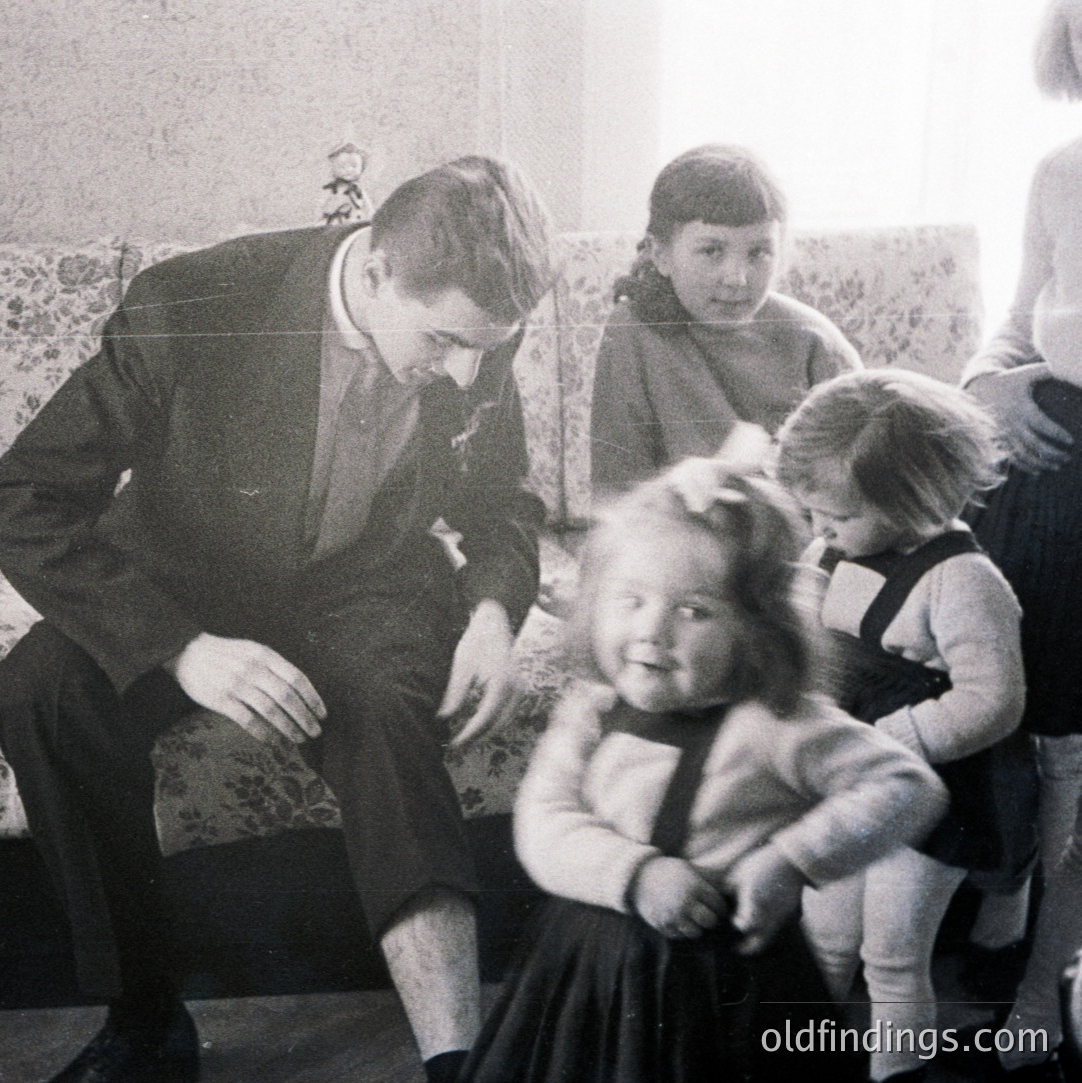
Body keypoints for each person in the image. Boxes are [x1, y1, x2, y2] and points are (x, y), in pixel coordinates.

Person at [0, 156, 556, 1083]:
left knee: (384, 706)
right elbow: (18, 500)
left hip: (366, 581)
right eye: (444, 341)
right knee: (37, 693)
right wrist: (180, 649)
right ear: (372, 273)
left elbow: (501, 501)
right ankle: (145, 1023)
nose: (465, 371)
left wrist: (491, 614)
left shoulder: (477, 334)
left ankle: (459, 1061)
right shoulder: (194, 304)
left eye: (487, 346)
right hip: (187, 579)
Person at [458, 460, 947, 1083]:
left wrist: (792, 860)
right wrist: (633, 873)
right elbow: (542, 822)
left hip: (728, 991)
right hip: (589, 974)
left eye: (694, 611)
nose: (651, 631)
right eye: (630, 600)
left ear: (757, 628)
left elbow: (907, 787)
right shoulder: (591, 710)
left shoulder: (776, 724)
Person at [776, 369, 1029, 1083]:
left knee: (891, 952)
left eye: (836, 518)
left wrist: (889, 739)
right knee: (822, 934)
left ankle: (898, 1073)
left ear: (913, 499)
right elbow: (806, 612)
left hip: (932, 789)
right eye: (812, 517)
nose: (820, 532)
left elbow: (992, 700)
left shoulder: (962, 581)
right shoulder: (834, 544)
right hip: (850, 779)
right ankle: (804, 1063)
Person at [961, 5, 1082, 1074]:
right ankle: (1005, 883)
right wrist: (991, 385)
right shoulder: (1058, 171)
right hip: (1046, 458)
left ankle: (1049, 978)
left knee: (1080, 752)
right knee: (993, 676)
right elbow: (1016, 319)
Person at [589, 143, 860, 499]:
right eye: (711, 251)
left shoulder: (814, 341)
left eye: (759, 253)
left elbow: (861, 492)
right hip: (675, 541)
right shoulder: (633, 332)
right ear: (661, 254)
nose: (737, 278)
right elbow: (616, 491)